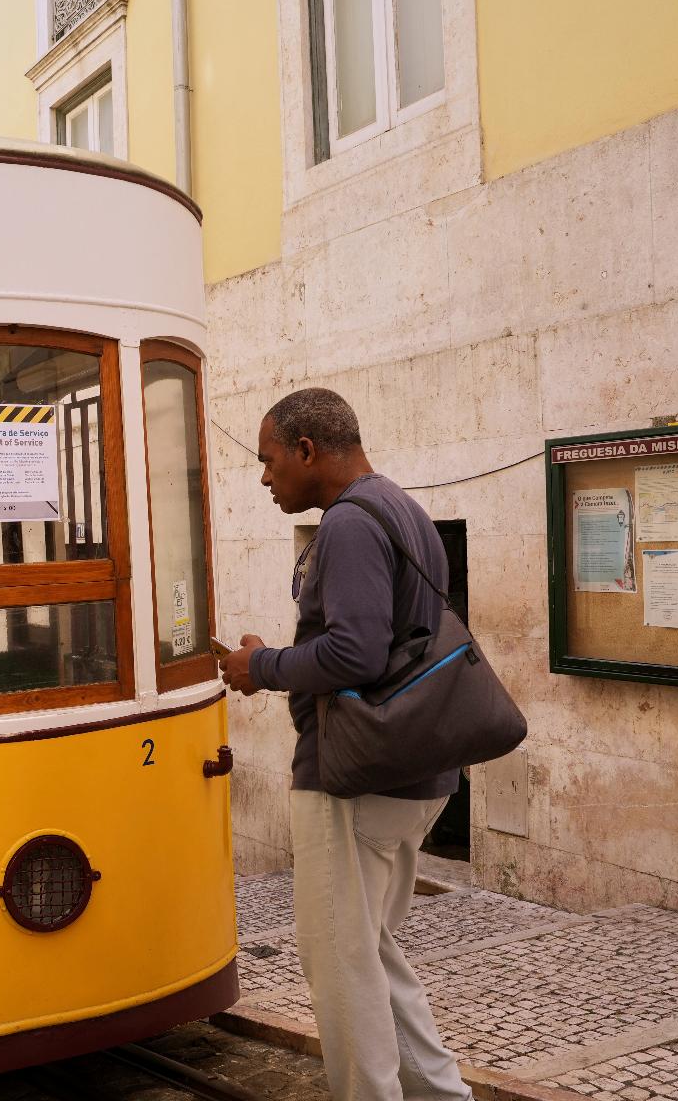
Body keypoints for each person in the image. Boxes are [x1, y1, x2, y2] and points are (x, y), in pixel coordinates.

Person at [220, 388, 471, 1101]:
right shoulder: (402, 509)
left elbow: (356, 652)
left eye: (269, 461)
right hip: (413, 770)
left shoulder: (349, 525)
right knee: (373, 952)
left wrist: (259, 667)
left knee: (340, 962)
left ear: (306, 450)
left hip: (353, 778)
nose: (264, 478)